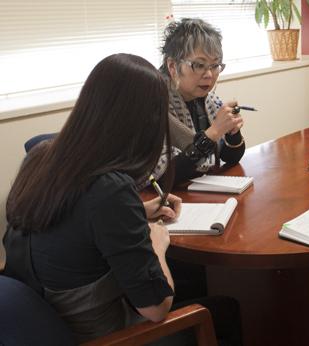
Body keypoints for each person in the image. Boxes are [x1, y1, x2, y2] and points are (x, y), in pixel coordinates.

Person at [3, 54, 241, 345]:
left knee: (191, 282)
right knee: (225, 308)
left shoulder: (41, 156)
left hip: (48, 318)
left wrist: (138, 211)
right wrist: (156, 245)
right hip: (106, 335)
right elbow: (156, 309)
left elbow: (69, 222)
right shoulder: (109, 187)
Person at [153, 18, 245, 184]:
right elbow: (165, 175)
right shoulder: (155, 103)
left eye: (215, 65)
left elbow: (231, 158)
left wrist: (233, 132)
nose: (209, 74)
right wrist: (213, 133)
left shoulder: (209, 100)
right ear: (173, 66)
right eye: (199, 65)